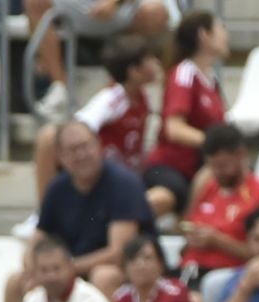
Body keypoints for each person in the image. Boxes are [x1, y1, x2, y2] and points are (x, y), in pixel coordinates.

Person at [7, 121, 154, 302]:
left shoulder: (124, 184)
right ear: (60, 156)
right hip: (70, 268)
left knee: (104, 275)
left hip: (122, 270)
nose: (82, 154)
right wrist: (34, 267)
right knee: (16, 281)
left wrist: (66, 269)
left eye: (86, 146)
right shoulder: (57, 188)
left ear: (99, 145)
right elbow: (39, 237)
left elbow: (118, 252)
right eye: (73, 150)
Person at [30, 36, 160, 203]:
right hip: (103, 176)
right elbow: (79, 128)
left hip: (127, 176)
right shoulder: (112, 99)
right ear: (134, 71)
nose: (156, 63)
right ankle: (44, 214)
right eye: (149, 59)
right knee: (48, 137)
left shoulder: (141, 97)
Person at [141, 11, 229, 219]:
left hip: (198, 169)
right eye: (221, 29)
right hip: (171, 167)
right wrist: (217, 145)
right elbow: (174, 128)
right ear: (204, 35)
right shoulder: (185, 73)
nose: (227, 35)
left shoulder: (211, 80)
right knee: (163, 198)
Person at [24, 0, 168, 118]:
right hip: (78, 8)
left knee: (157, 11)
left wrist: (114, 3)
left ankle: (135, 82)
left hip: (120, 9)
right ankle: (60, 88)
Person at [179, 125, 259, 279]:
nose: (217, 172)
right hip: (189, 271)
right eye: (212, 166)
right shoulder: (208, 187)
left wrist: (217, 240)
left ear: (241, 154)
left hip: (227, 275)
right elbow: (185, 225)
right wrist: (190, 235)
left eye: (223, 166)